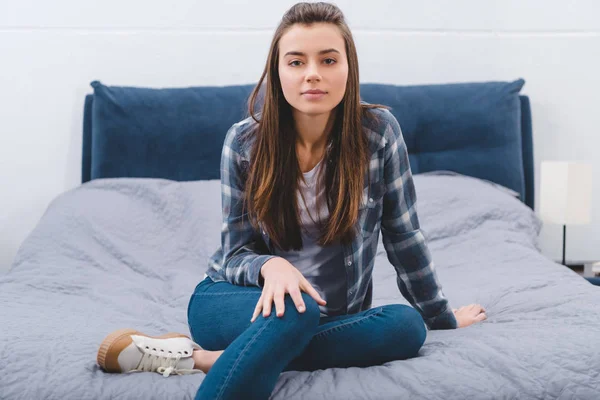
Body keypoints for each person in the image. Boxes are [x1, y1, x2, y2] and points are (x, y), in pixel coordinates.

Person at [96, 2, 487, 399]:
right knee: (296, 308)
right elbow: (235, 254)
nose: (313, 73)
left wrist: (439, 317)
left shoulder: (379, 133)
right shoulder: (244, 142)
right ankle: (236, 350)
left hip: (332, 316)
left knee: (407, 326)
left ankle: (203, 360)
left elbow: (403, 236)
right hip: (233, 303)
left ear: (348, 67)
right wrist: (271, 266)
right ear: (278, 71)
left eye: (328, 59)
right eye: (296, 61)